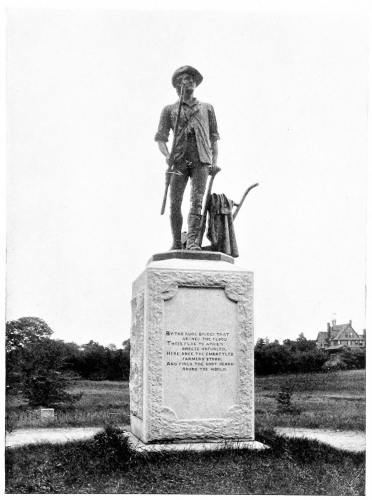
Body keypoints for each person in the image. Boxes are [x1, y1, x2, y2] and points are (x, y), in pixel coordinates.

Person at [155, 66, 220, 250]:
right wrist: (167, 155)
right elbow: (160, 139)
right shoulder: (169, 110)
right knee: (175, 203)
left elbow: (214, 138)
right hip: (178, 160)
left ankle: (191, 242)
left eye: (192, 78)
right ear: (177, 85)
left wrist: (214, 162)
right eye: (185, 78)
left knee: (197, 202)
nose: (190, 80)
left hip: (201, 159)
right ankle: (178, 241)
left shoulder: (207, 108)